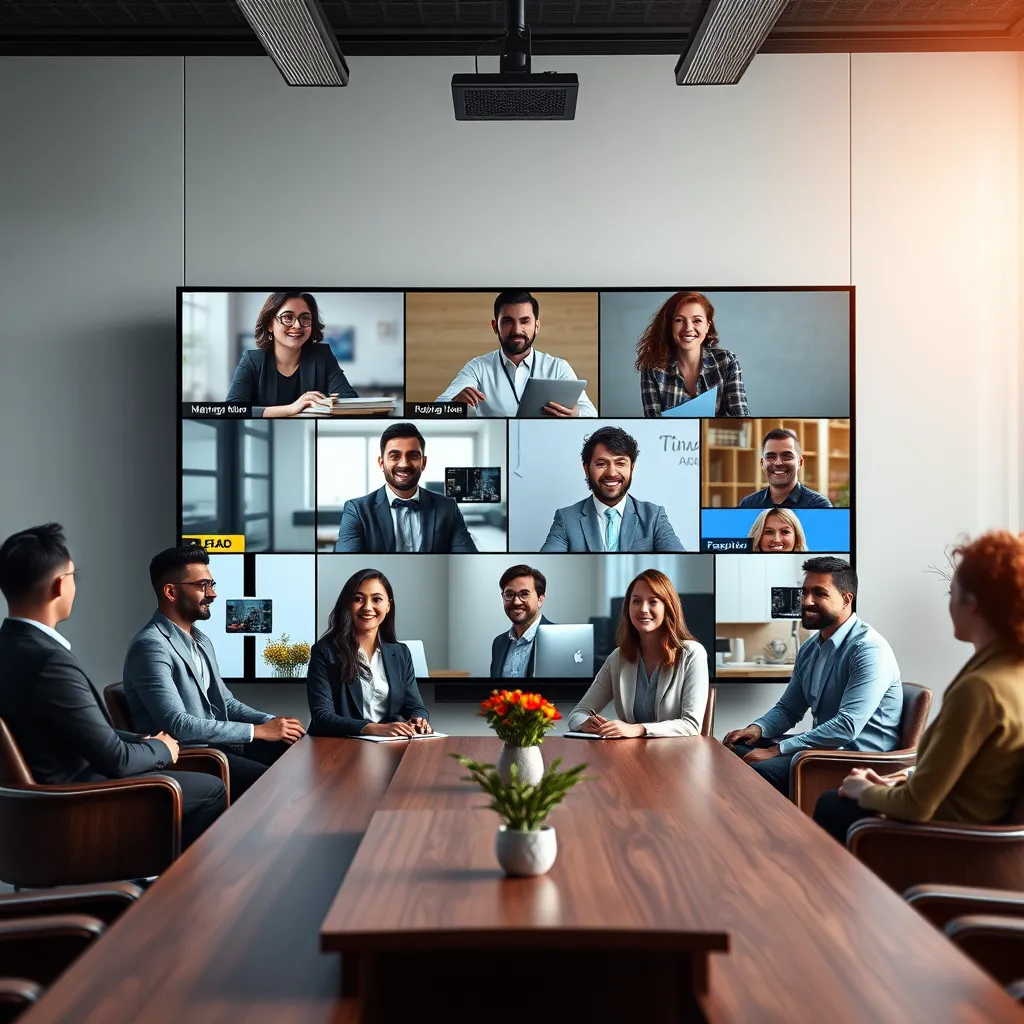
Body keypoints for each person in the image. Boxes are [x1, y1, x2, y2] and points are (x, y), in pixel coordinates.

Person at [0, 524, 225, 848]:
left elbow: (82, 731)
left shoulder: (13, 649)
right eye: (73, 576)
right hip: (76, 806)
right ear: (60, 586)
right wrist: (163, 748)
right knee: (210, 789)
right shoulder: (50, 662)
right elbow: (115, 760)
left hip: (36, 807)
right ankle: (177, 892)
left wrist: (145, 740)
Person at [814, 531, 1024, 843]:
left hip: (949, 843)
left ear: (974, 604)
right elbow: (953, 779)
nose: (949, 602)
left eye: (952, 592)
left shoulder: (981, 690)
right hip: (961, 823)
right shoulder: (1010, 673)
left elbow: (917, 806)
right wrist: (889, 785)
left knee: (831, 803)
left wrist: (866, 791)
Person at [123, 545, 306, 801]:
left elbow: (226, 703)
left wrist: (274, 722)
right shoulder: (150, 646)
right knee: (276, 781)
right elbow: (179, 724)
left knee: (296, 753)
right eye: (203, 586)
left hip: (217, 747)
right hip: (191, 757)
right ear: (171, 592)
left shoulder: (201, 640)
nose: (214, 594)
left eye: (212, 584)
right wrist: (258, 731)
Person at [723, 556, 902, 796]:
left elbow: (846, 727)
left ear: (847, 599)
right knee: (737, 749)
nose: (806, 601)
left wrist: (779, 750)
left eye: (820, 593)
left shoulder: (868, 650)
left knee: (757, 769)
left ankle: (774, 833)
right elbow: (788, 708)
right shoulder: (810, 648)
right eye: (804, 592)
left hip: (856, 760)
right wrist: (758, 729)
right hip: (823, 751)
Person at [567, 569, 708, 737]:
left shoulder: (692, 653)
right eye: (636, 601)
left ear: (668, 607)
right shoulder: (618, 658)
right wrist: (585, 723)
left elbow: (691, 725)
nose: (643, 609)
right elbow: (578, 713)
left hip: (678, 756)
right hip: (631, 756)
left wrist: (638, 729)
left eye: (653, 602)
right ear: (628, 608)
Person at [306, 569, 431, 737]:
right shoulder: (324, 651)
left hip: (388, 744)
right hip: (336, 747)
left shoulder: (401, 653)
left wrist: (419, 720)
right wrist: (374, 728)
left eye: (377, 599)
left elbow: (415, 706)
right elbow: (322, 716)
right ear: (347, 605)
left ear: (388, 606)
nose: (367, 607)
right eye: (358, 599)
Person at [435, 291, 597, 417]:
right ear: (494, 326)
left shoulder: (557, 368)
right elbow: (436, 409)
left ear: (537, 326)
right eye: (507, 321)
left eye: (525, 321)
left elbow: (592, 414)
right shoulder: (478, 367)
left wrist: (576, 414)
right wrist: (454, 405)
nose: (517, 330)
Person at [334, 423, 478, 553]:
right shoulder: (356, 509)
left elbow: (466, 556)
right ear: (381, 463)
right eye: (395, 456)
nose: (404, 464)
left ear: (423, 462)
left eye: (413, 456)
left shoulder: (448, 507)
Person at [540, 426, 685, 553]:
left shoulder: (654, 516)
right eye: (601, 463)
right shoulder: (566, 519)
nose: (612, 473)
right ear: (586, 469)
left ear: (632, 468)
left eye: (620, 463)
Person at [226, 291, 357, 418]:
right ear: (270, 325)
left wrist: (327, 403)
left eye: (305, 318)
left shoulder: (322, 355)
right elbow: (233, 409)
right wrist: (291, 409)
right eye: (288, 318)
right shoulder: (252, 360)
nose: (297, 325)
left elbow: (349, 399)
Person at [636, 290, 748, 417]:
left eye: (697, 321)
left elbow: (741, 417)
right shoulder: (652, 367)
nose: (688, 328)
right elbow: (653, 422)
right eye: (679, 320)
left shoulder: (727, 361)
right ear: (669, 326)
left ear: (707, 326)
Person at [738, 429, 832, 509]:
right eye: (771, 456)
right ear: (762, 463)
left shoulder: (819, 506)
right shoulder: (748, 505)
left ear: (800, 462)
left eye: (787, 456)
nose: (778, 463)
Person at [490, 565, 552, 679]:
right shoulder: (498, 643)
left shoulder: (558, 640)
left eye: (524, 594)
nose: (516, 602)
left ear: (540, 600)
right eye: (509, 594)